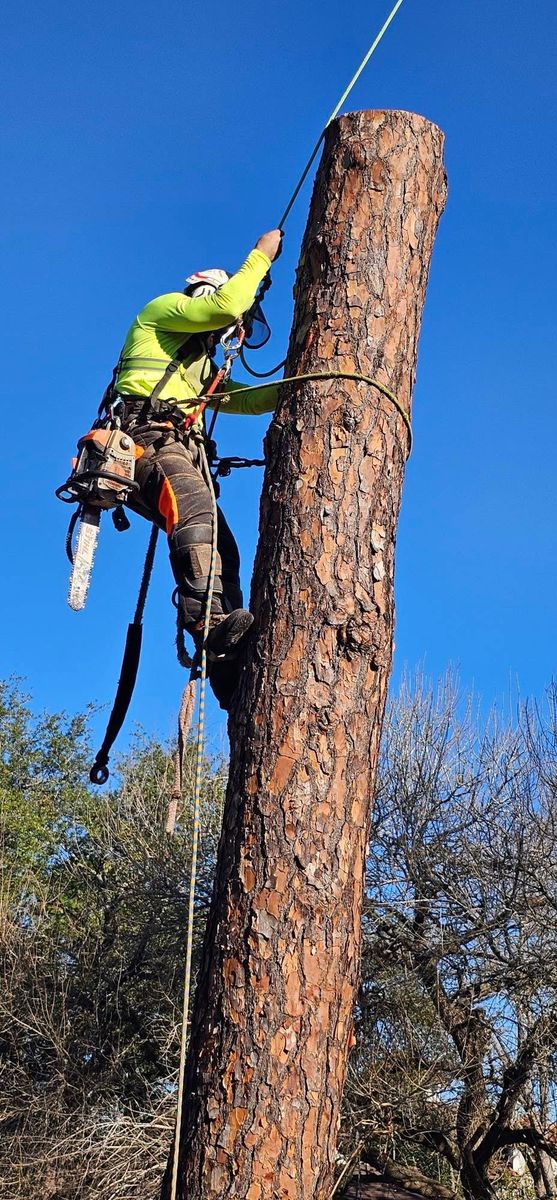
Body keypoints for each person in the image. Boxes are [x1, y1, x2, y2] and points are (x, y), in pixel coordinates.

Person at [112, 228, 283, 710]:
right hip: (146, 439)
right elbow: (227, 306)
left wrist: (300, 384)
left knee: (224, 548)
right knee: (197, 518)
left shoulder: (202, 368)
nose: (226, 332)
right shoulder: (162, 311)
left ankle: (227, 667)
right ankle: (209, 624)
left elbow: (243, 400)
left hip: (179, 450)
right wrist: (260, 256)